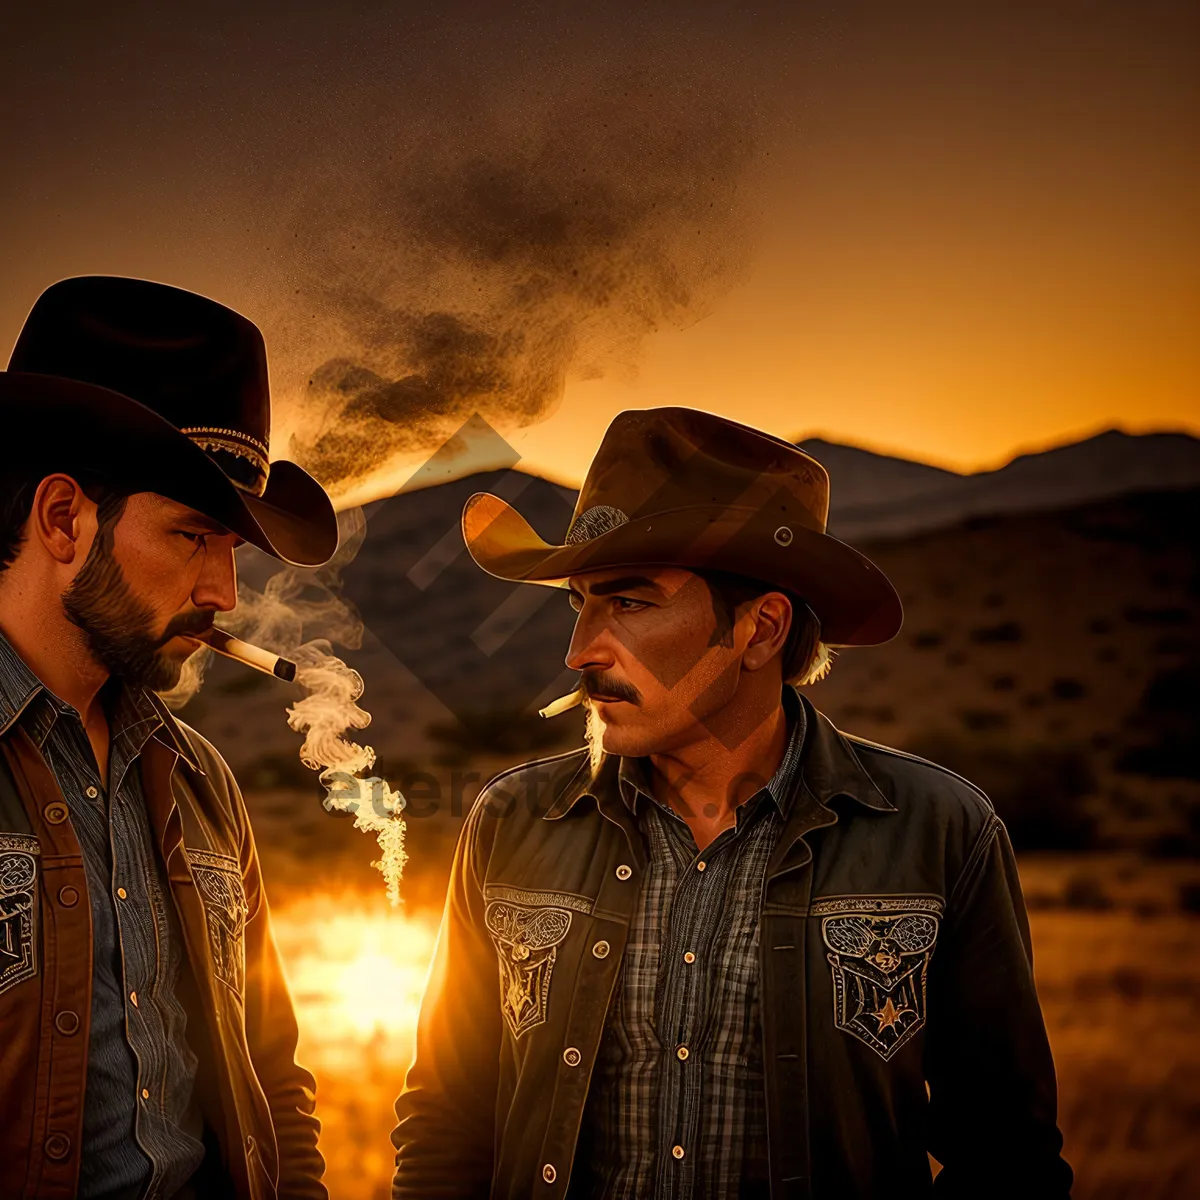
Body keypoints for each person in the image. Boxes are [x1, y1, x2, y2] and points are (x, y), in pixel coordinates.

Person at [391, 407, 1072, 1199]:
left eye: (631, 603)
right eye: (577, 603)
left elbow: (1007, 1157)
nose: (579, 651)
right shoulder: (511, 824)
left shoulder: (940, 832)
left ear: (760, 629)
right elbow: (446, 1121)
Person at [0, 276, 338, 1199]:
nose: (225, 593)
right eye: (195, 536)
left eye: (235, 549)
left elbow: (273, 1081)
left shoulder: (202, 782)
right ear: (63, 519)